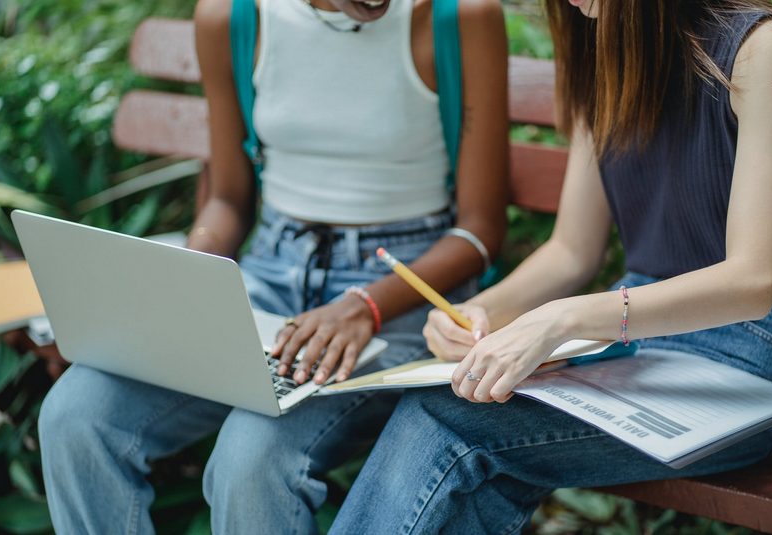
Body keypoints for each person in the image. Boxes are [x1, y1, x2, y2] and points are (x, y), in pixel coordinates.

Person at [36, 0, 510, 532]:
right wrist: (194, 266)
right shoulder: (232, 18)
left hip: (402, 292)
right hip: (267, 280)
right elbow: (230, 200)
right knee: (75, 417)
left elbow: (480, 231)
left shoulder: (458, 17)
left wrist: (365, 306)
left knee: (251, 460)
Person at [328, 0, 772, 533]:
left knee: (443, 423)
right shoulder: (600, 48)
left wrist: (561, 320)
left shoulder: (759, 47)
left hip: (747, 350)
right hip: (632, 343)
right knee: (470, 434)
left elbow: (753, 281)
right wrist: (478, 311)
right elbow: (572, 250)